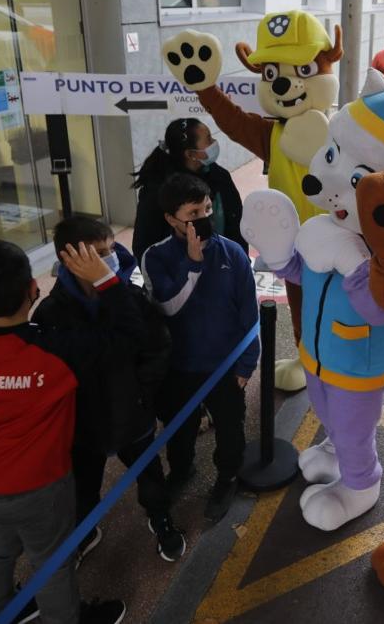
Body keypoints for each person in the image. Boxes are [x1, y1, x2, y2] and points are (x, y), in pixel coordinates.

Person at [0, 239, 136, 624]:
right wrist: (106, 280)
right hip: (38, 488)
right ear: (33, 289)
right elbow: (127, 336)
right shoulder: (57, 348)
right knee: (51, 561)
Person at [32, 217, 185, 564]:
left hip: (133, 414)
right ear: (68, 258)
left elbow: (156, 347)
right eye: (98, 253)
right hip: (83, 423)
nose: (109, 259)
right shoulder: (52, 313)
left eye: (110, 249)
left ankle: (159, 517)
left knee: (149, 475)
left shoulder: (132, 298)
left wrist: (140, 391)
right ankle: (84, 531)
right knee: (83, 484)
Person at [142, 173, 260, 523]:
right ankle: (182, 470)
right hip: (180, 366)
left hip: (225, 366)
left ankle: (227, 477)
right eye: (193, 213)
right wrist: (192, 264)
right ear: (171, 219)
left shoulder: (232, 253)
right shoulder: (157, 257)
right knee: (179, 428)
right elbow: (168, 306)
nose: (204, 217)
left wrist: (246, 365)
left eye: (207, 208)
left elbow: (250, 314)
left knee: (230, 428)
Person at [132, 118, 245, 259]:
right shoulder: (158, 191)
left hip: (223, 261)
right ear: (191, 154)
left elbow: (236, 221)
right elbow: (143, 245)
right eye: (208, 139)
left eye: (208, 208)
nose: (214, 143)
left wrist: (240, 259)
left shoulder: (219, 176)